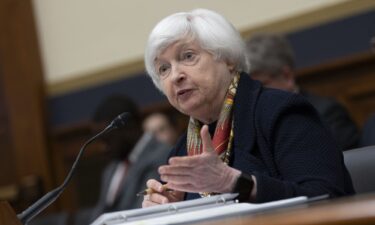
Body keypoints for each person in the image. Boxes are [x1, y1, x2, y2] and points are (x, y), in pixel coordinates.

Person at [141, 8, 354, 207]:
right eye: (163, 69)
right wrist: (166, 208)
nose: (176, 76)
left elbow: (326, 199)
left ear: (228, 59)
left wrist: (235, 182)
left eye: (188, 56)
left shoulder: (282, 112)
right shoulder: (182, 150)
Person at [245, 33, 360, 151]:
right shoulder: (251, 122)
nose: (255, 95)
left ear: (287, 76)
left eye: (261, 85)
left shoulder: (327, 113)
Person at [75, 95, 171, 224]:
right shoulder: (111, 169)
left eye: (107, 140)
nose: (103, 148)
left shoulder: (161, 156)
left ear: (129, 128)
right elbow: (97, 216)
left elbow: (142, 213)